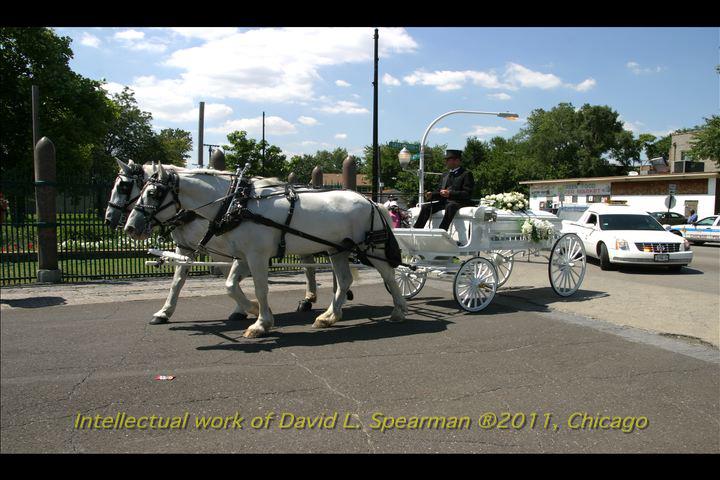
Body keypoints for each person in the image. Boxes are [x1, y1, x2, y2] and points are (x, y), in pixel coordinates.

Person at [413, 149, 475, 231]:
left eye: (447, 160)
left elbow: (467, 193)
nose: (445, 162)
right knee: (426, 207)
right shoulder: (445, 175)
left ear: (456, 160)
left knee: (450, 206)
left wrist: (450, 193)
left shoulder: (466, 174)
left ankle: (442, 230)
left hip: (459, 202)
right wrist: (432, 194)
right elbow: (439, 190)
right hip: (444, 202)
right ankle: (416, 230)